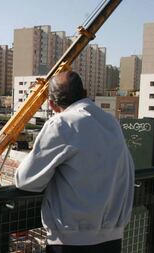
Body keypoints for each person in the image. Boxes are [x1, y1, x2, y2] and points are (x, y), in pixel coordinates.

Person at [15, 71, 134, 253]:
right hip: (113, 238)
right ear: (85, 92)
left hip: (70, 241)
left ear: (52, 104)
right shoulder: (111, 122)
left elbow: (26, 181)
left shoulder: (62, 124)